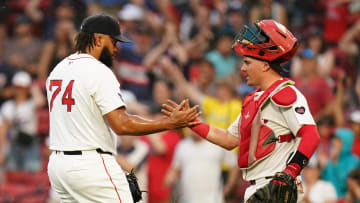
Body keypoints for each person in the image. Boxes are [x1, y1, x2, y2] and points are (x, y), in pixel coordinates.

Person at [46, 14, 200, 203]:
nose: (116, 48)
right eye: (113, 41)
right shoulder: (99, 71)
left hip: (59, 166)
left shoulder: (58, 70)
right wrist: (170, 123)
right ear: (98, 38)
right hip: (90, 164)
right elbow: (122, 125)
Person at [162, 19, 320, 203]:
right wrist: (190, 122)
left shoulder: (285, 93)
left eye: (247, 62)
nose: (242, 68)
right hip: (259, 188)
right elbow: (229, 139)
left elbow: (311, 135)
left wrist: (289, 173)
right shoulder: (254, 99)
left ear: (265, 64)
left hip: (276, 187)